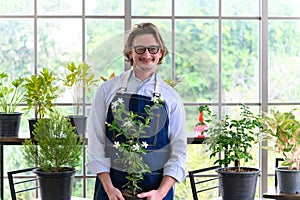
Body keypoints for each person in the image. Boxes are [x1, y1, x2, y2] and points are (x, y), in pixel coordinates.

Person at [87, 22, 187, 200]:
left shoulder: (171, 97)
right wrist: (110, 189)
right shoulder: (107, 90)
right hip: (112, 191)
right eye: (140, 49)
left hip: (156, 193)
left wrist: (160, 193)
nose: (147, 55)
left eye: (153, 49)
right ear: (129, 53)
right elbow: (96, 143)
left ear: (161, 53)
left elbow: (178, 151)